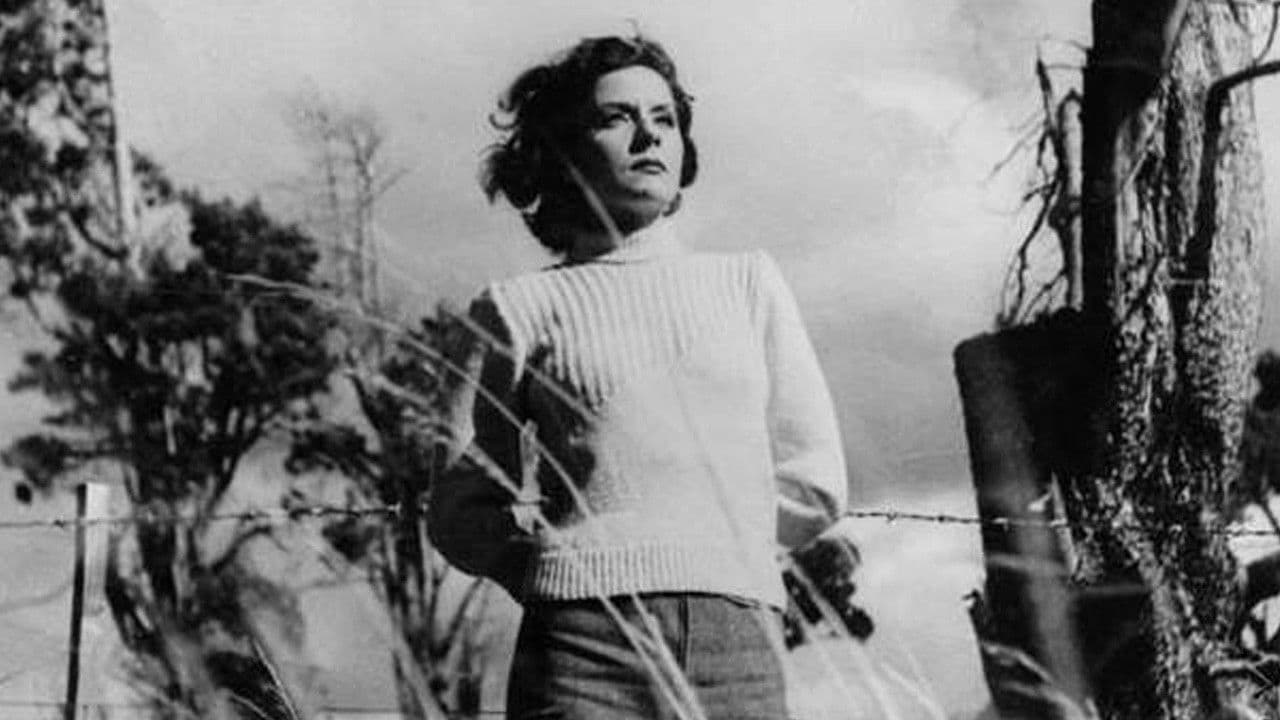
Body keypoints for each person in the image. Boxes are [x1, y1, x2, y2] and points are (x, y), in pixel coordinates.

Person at [429, 34, 848, 720]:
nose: (649, 136)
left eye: (665, 119)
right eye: (616, 117)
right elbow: (461, 509)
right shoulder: (514, 308)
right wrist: (552, 567)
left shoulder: (749, 283)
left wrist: (720, 549)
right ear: (563, 150)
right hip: (579, 652)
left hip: (739, 644)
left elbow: (817, 476)